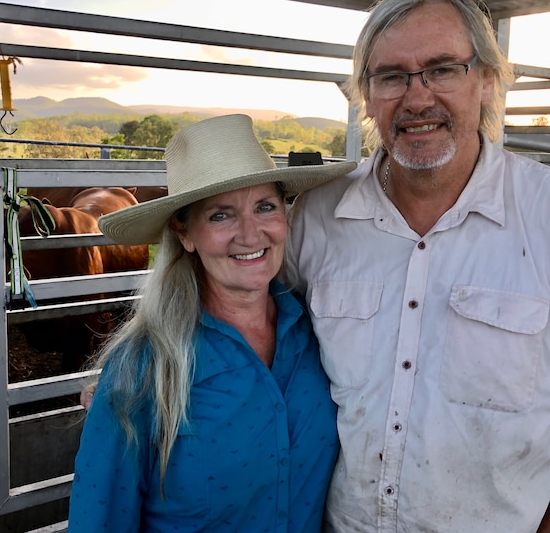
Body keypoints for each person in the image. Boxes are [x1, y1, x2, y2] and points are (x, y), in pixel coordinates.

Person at [289, 0, 550, 533]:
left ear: (488, 81)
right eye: (391, 76)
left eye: (444, 69)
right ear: (367, 95)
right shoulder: (316, 219)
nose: (417, 96)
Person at [67, 114, 355, 532]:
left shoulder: (318, 332)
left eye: (265, 207)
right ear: (185, 234)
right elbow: (99, 519)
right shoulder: (142, 369)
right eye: (221, 215)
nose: (250, 233)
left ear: (285, 217)